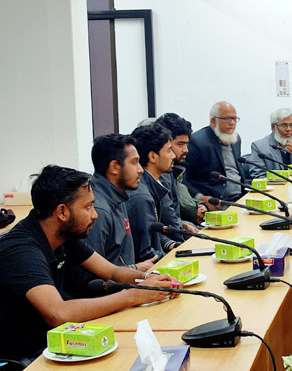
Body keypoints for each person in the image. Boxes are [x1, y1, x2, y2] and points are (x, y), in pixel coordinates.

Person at [0, 165, 178, 364]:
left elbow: (112, 271)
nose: (95, 215)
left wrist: (151, 279)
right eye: (88, 207)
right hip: (24, 358)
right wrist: (135, 294)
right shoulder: (21, 250)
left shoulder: (62, 234)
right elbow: (58, 313)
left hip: (56, 345)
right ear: (62, 212)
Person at [66, 134, 157, 298]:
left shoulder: (118, 195)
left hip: (124, 287)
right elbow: (93, 280)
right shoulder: (98, 210)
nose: (141, 169)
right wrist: (136, 272)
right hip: (109, 300)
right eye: (134, 162)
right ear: (114, 167)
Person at [127, 124, 179, 261]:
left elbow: (151, 233)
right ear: (153, 156)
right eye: (168, 151)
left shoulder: (149, 184)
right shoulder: (142, 197)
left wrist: (171, 245)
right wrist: (176, 258)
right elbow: (145, 254)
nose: (173, 156)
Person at [184, 101, 246, 206]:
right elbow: (184, 179)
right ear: (213, 121)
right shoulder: (197, 142)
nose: (232, 123)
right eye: (227, 118)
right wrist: (201, 197)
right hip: (215, 202)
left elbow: (236, 171)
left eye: (235, 119)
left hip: (240, 197)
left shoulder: (236, 139)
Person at [155, 113, 206, 226]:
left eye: (187, 144)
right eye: (180, 144)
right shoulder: (161, 173)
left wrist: (200, 206)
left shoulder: (175, 168)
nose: (186, 150)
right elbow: (169, 218)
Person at [249, 108, 292, 178]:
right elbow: (258, 176)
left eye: (291, 125)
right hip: (275, 188)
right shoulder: (260, 147)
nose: (288, 129)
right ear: (273, 127)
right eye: (284, 125)